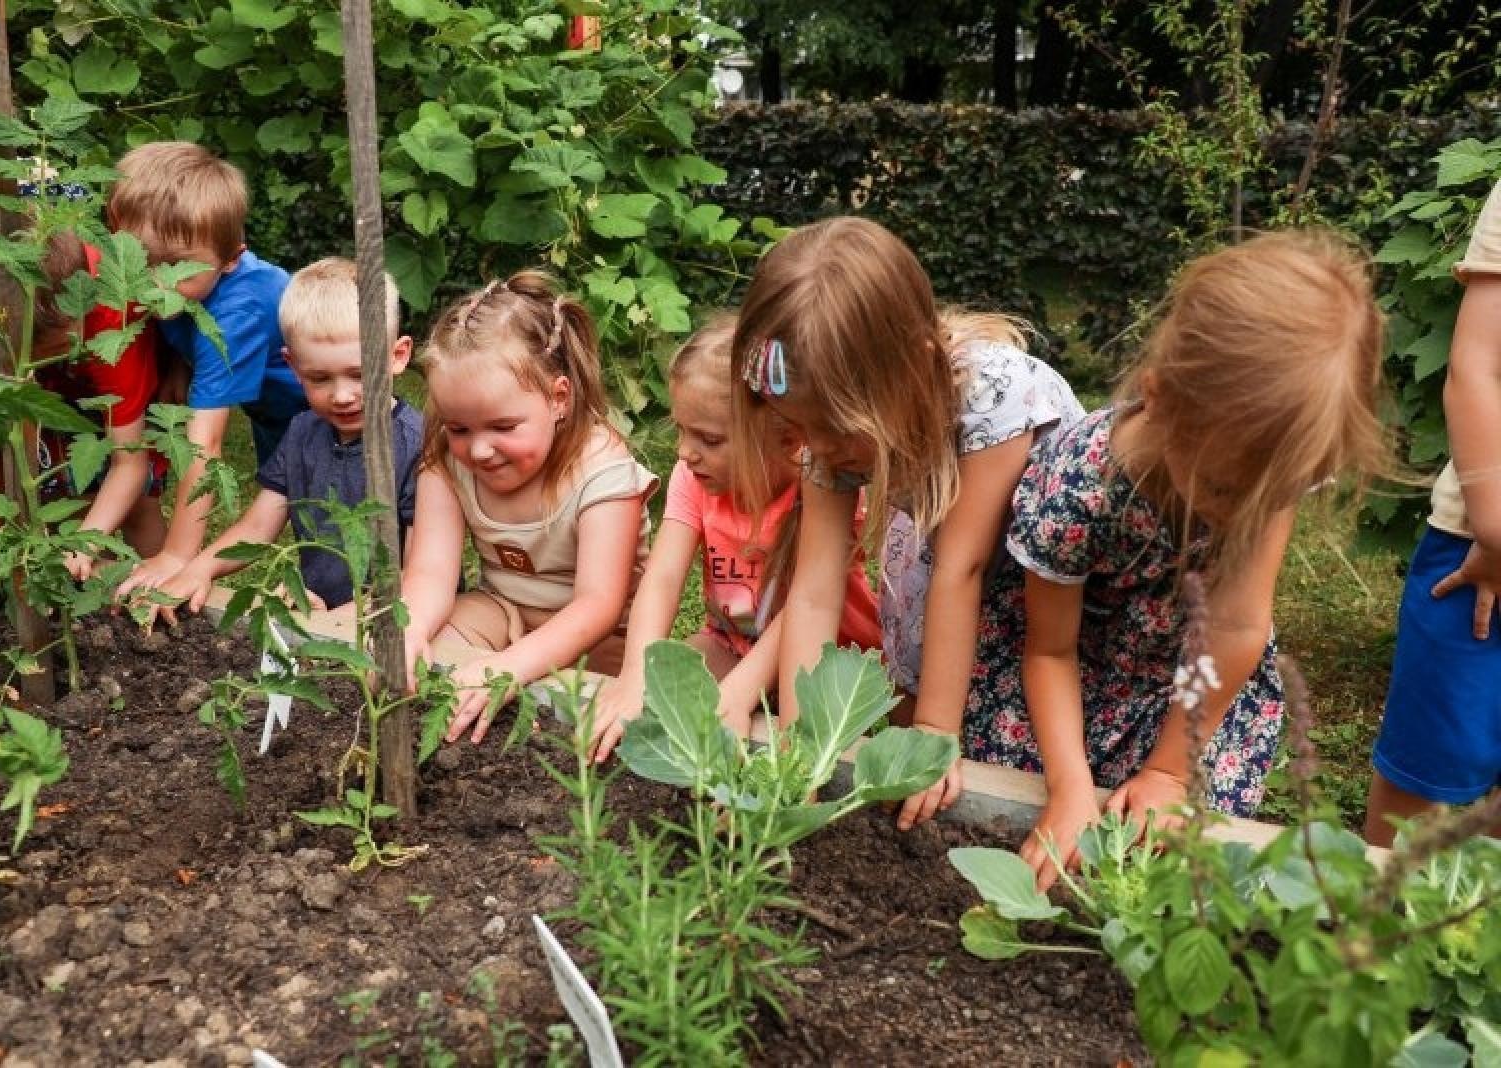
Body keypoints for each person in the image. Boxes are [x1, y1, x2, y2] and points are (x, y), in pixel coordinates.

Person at [995, 230, 1393, 890]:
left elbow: (1236, 628)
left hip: (1196, 680)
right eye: (1224, 491)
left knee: (1180, 832)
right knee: (1034, 797)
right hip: (1074, 665)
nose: (1241, 516)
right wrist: (1069, 789)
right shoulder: (1080, 486)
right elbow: (1049, 652)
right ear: (1159, 397)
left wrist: (1168, 772)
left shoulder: (1272, 466)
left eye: (1274, 494)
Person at [730, 217, 1084, 831]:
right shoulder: (834, 430)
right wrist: (800, 740)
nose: (814, 448)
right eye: (796, 428)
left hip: (1035, 581)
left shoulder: (994, 396)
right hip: (945, 551)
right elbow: (815, 590)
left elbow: (962, 569)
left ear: (915, 370)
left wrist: (933, 731)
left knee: (961, 748)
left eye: (834, 431)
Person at [588, 313, 882, 763]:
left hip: (825, 665)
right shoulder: (693, 477)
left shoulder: (821, 487)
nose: (685, 453)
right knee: (665, 698)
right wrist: (635, 676)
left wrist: (740, 692)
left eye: (708, 438)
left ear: (788, 440)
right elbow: (664, 577)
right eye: (680, 429)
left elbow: (808, 607)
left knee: (746, 730)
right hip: (732, 643)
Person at [401, 271, 657, 743]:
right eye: (459, 429)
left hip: (604, 641)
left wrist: (510, 667)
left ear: (558, 398)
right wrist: (410, 628)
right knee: (431, 656)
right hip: (504, 611)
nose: (478, 450)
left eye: (503, 426)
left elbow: (599, 604)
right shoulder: (445, 459)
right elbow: (432, 572)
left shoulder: (601, 468)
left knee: (600, 713)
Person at [139, 258, 421, 625]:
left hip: (399, 623)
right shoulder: (303, 431)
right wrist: (200, 569)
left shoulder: (418, 447)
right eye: (319, 378)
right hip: (321, 615)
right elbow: (259, 526)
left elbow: (421, 576)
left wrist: (347, 618)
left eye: (359, 374)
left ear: (397, 356)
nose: (342, 395)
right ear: (293, 365)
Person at [107, 142, 307, 601]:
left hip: (327, 410)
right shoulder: (191, 285)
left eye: (176, 266)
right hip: (274, 411)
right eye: (143, 260)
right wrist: (180, 362)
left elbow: (206, 444)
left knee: (331, 517)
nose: (157, 283)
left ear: (232, 259)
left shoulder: (236, 315)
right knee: (291, 499)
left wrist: (178, 556)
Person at [1367, 183, 1501, 846]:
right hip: (1477, 550)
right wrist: (1497, 530)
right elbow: (1478, 365)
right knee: (1423, 769)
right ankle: (1376, 933)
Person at [0, 231, 166, 573]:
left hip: (124, 396)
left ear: (74, 309)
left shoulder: (114, 323)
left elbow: (131, 464)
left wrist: (83, 543)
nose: (36, 360)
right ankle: (97, 588)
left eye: (52, 348)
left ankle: (162, 587)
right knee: (77, 501)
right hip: (61, 394)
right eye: (32, 355)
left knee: (141, 500)